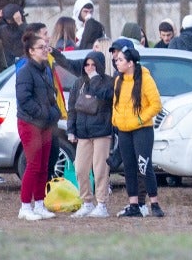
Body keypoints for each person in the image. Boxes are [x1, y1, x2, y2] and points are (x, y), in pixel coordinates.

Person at [111, 39, 164, 218]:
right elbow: (116, 103)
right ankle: (133, 204)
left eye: (120, 60)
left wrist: (140, 119)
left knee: (144, 165)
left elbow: (156, 104)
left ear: (130, 63)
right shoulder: (119, 80)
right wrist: (116, 120)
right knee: (129, 167)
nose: (117, 62)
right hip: (124, 130)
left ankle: (154, 203)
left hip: (142, 130)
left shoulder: (145, 79)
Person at [13, 30, 61, 221]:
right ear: (31, 51)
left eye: (46, 47)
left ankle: (39, 203)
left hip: (46, 124)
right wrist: (43, 113)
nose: (45, 50)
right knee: (33, 165)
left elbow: (52, 96)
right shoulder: (25, 71)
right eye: (41, 48)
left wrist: (54, 113)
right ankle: (25, 206)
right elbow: (24, 99)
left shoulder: (45, 69)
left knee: (44, 165)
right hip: (30, 123)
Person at [66, 49, 114, 217]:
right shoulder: (78, 83)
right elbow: (71, 108)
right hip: (83, 133)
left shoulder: (108, 82)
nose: (90, 67)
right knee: (80, 168)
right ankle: (86, 202)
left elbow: (107, 97)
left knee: (100, 169)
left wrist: (94, 79)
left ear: (100, 66)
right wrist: (71, 130)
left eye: (94, 65)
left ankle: (101, 204)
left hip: (102, 131)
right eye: (87, 64)